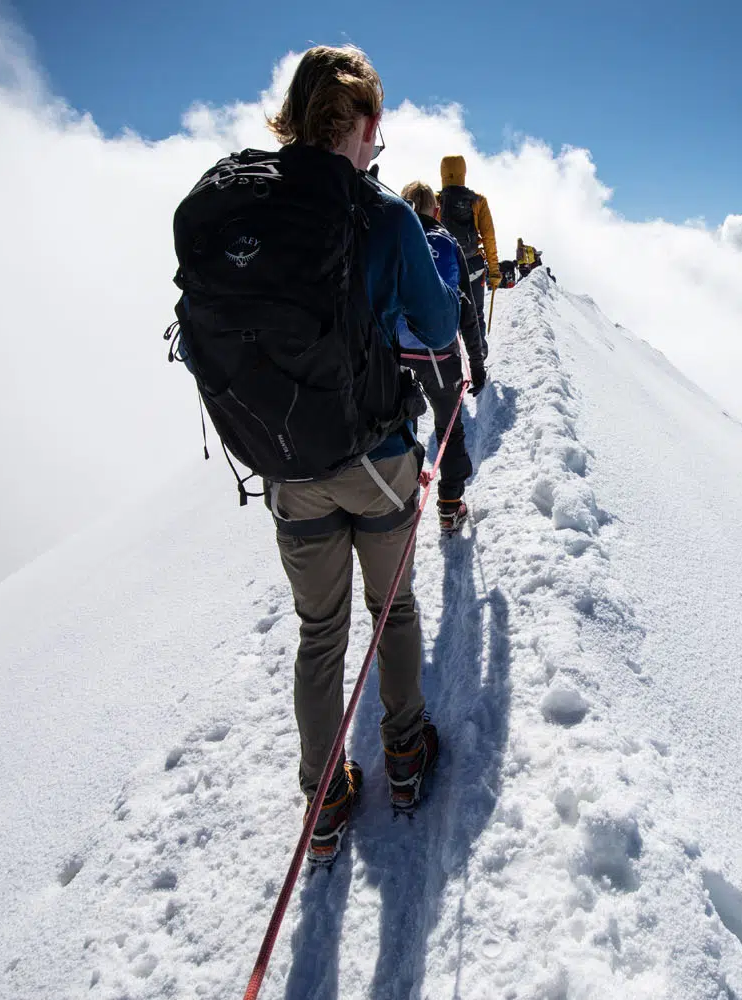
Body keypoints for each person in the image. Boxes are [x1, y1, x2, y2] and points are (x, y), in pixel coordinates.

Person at [179, 45, 458, 865]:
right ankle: (404, 751)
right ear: (364, 122)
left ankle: (324, 795)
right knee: (393, 610)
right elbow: (438, 331)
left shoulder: (246, 207)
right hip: (375, 457)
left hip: (286, 467)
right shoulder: (383, 215)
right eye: (378, 125)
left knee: (319, 633)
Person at [398, 181, 489, 535]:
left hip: (394, 353)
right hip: (440, 355)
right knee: (448, 428)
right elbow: (468, 313)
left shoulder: (392, 238)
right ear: (436, 211)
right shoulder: (447, 243)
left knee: (396, 425)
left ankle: (397, 504)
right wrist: (477, 365)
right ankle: (450, 507)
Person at [438, 155, 499, 336]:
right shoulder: (478, 201)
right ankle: (479, 356)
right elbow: (488, 237)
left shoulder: (436, 200)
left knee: (446, 313)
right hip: (474, 266)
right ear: (463, 172)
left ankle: (449, 358)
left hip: (444, 265)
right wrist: (494, 272)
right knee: (475, 314)